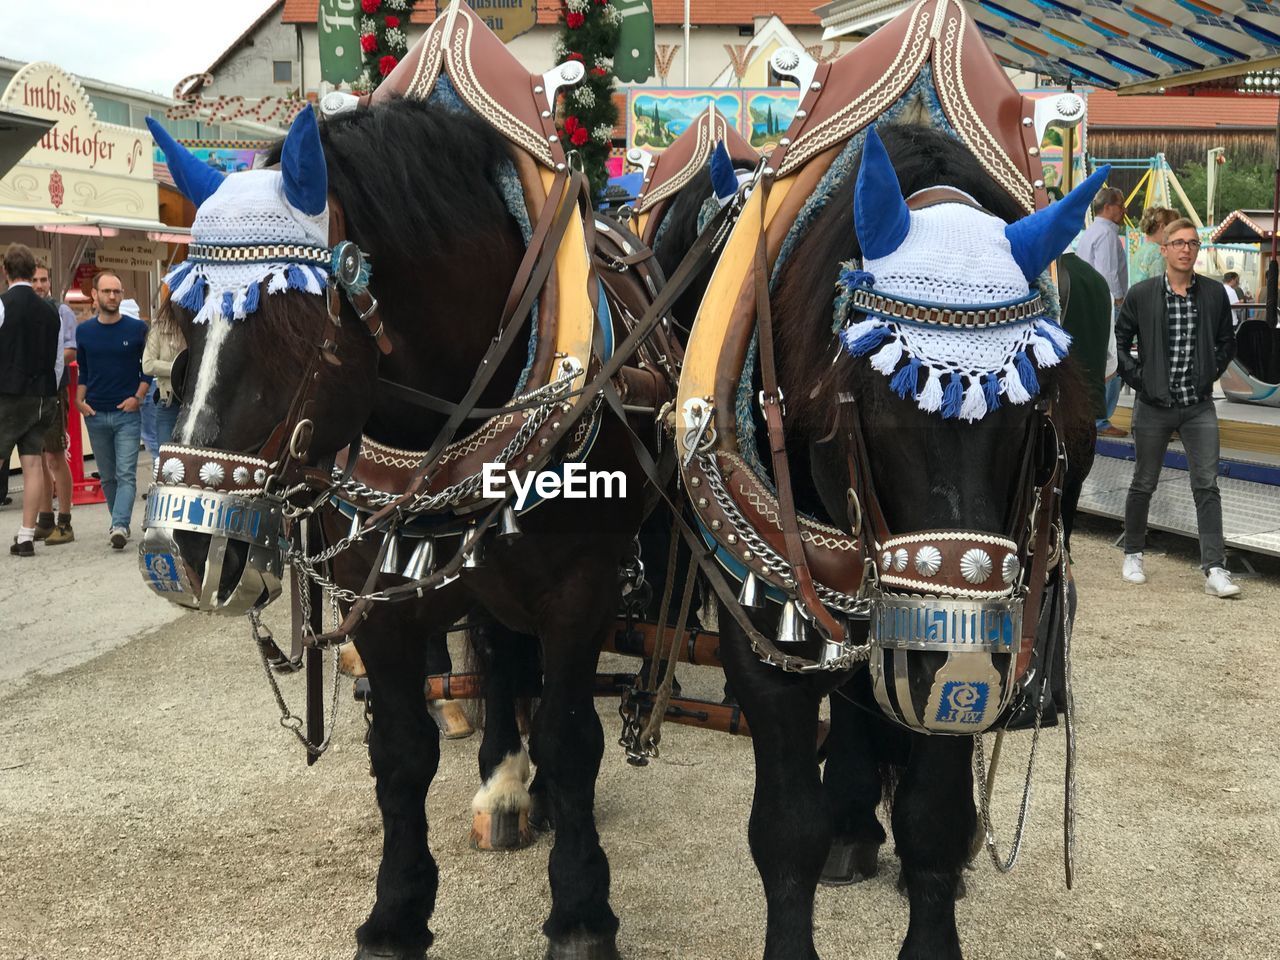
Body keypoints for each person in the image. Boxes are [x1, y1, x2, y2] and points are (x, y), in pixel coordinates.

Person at [1115, 218, 1240, 598]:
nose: (1186, 249)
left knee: (1207, 485)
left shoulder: (1215, 294)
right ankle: (1133, 552)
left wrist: (1207, 375)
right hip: (1154, 405)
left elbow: (1226, 342)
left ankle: (1215, 568)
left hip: (1199, 406)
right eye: (1179, 243)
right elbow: (1121, 341)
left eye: (1193, 243)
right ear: (1164, 249)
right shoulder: (1142, 294)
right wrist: (1141, 380)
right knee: (1143, 482)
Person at [76, 270, 151, 550]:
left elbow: (148, 370)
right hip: (95, 414)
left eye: (116, 291)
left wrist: (138, 397)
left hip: (127, 414)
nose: (112, 296)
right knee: (107, 476)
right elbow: (84, 371)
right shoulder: (84, 331)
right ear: (94, 295)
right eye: (106, 291)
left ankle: (119, 525)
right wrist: (79, 400)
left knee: (126, 474)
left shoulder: (137, 329)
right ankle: (118, 522)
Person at [0, 244, 60, 557]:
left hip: (8, 394)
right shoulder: (51, 310)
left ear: (5, 271)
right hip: (44, 395)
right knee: (33, 463)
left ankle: (25, 536)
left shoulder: (2, 304)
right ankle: (26, 536)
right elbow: (57, 357)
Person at [1076, 185, 1129, 438]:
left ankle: (1091, 415)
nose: (1124, 210)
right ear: (1108, 207)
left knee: (1096, 358)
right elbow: (1108, 272)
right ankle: (1102, 418)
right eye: (1120, 205)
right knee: (1113, 359)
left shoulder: (1090, 232)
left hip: (1091, 302)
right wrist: (1119, 300)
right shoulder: (1107, 234)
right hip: (1108, 302)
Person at [31, 262, 78, 544]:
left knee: (55, 456)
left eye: (43, 279)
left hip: (53, 389)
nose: (39, 285)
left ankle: (65, 521)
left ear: (50, 282)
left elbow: (71, 351)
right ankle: (45, 519)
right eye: (34, 279)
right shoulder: (19, 311)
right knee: (35, 458)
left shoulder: (61, 311)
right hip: (28, 392)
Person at [141, 307, 186, 455]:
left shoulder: (202, 325)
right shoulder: (160, 329)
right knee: (166, 460)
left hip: (195, 402)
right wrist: (177, 367)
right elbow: (147, 365)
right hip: (168, 400)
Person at [1131, 207, 1177, 284]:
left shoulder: (1140, 250)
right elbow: (1159, 288)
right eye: (1174, 229)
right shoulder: (1159, 253)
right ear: (1163, 227)